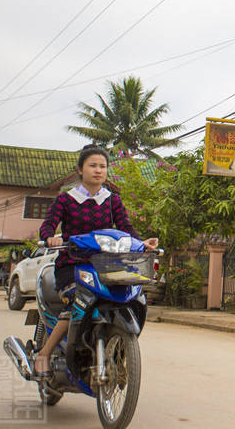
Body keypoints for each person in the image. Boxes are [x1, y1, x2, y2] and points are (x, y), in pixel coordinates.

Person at [33, 144, 158, 377]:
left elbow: (126, 228)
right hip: (72, 264)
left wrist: (143, 244)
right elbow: (48, 224)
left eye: (102, 166)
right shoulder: (66, 199)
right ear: (81, 170)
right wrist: (49, 237)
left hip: (105, 266)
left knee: (129, 299)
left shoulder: (112, 201)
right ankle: (45, 353)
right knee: (75, 303)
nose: (98, 170)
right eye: (92, 166)